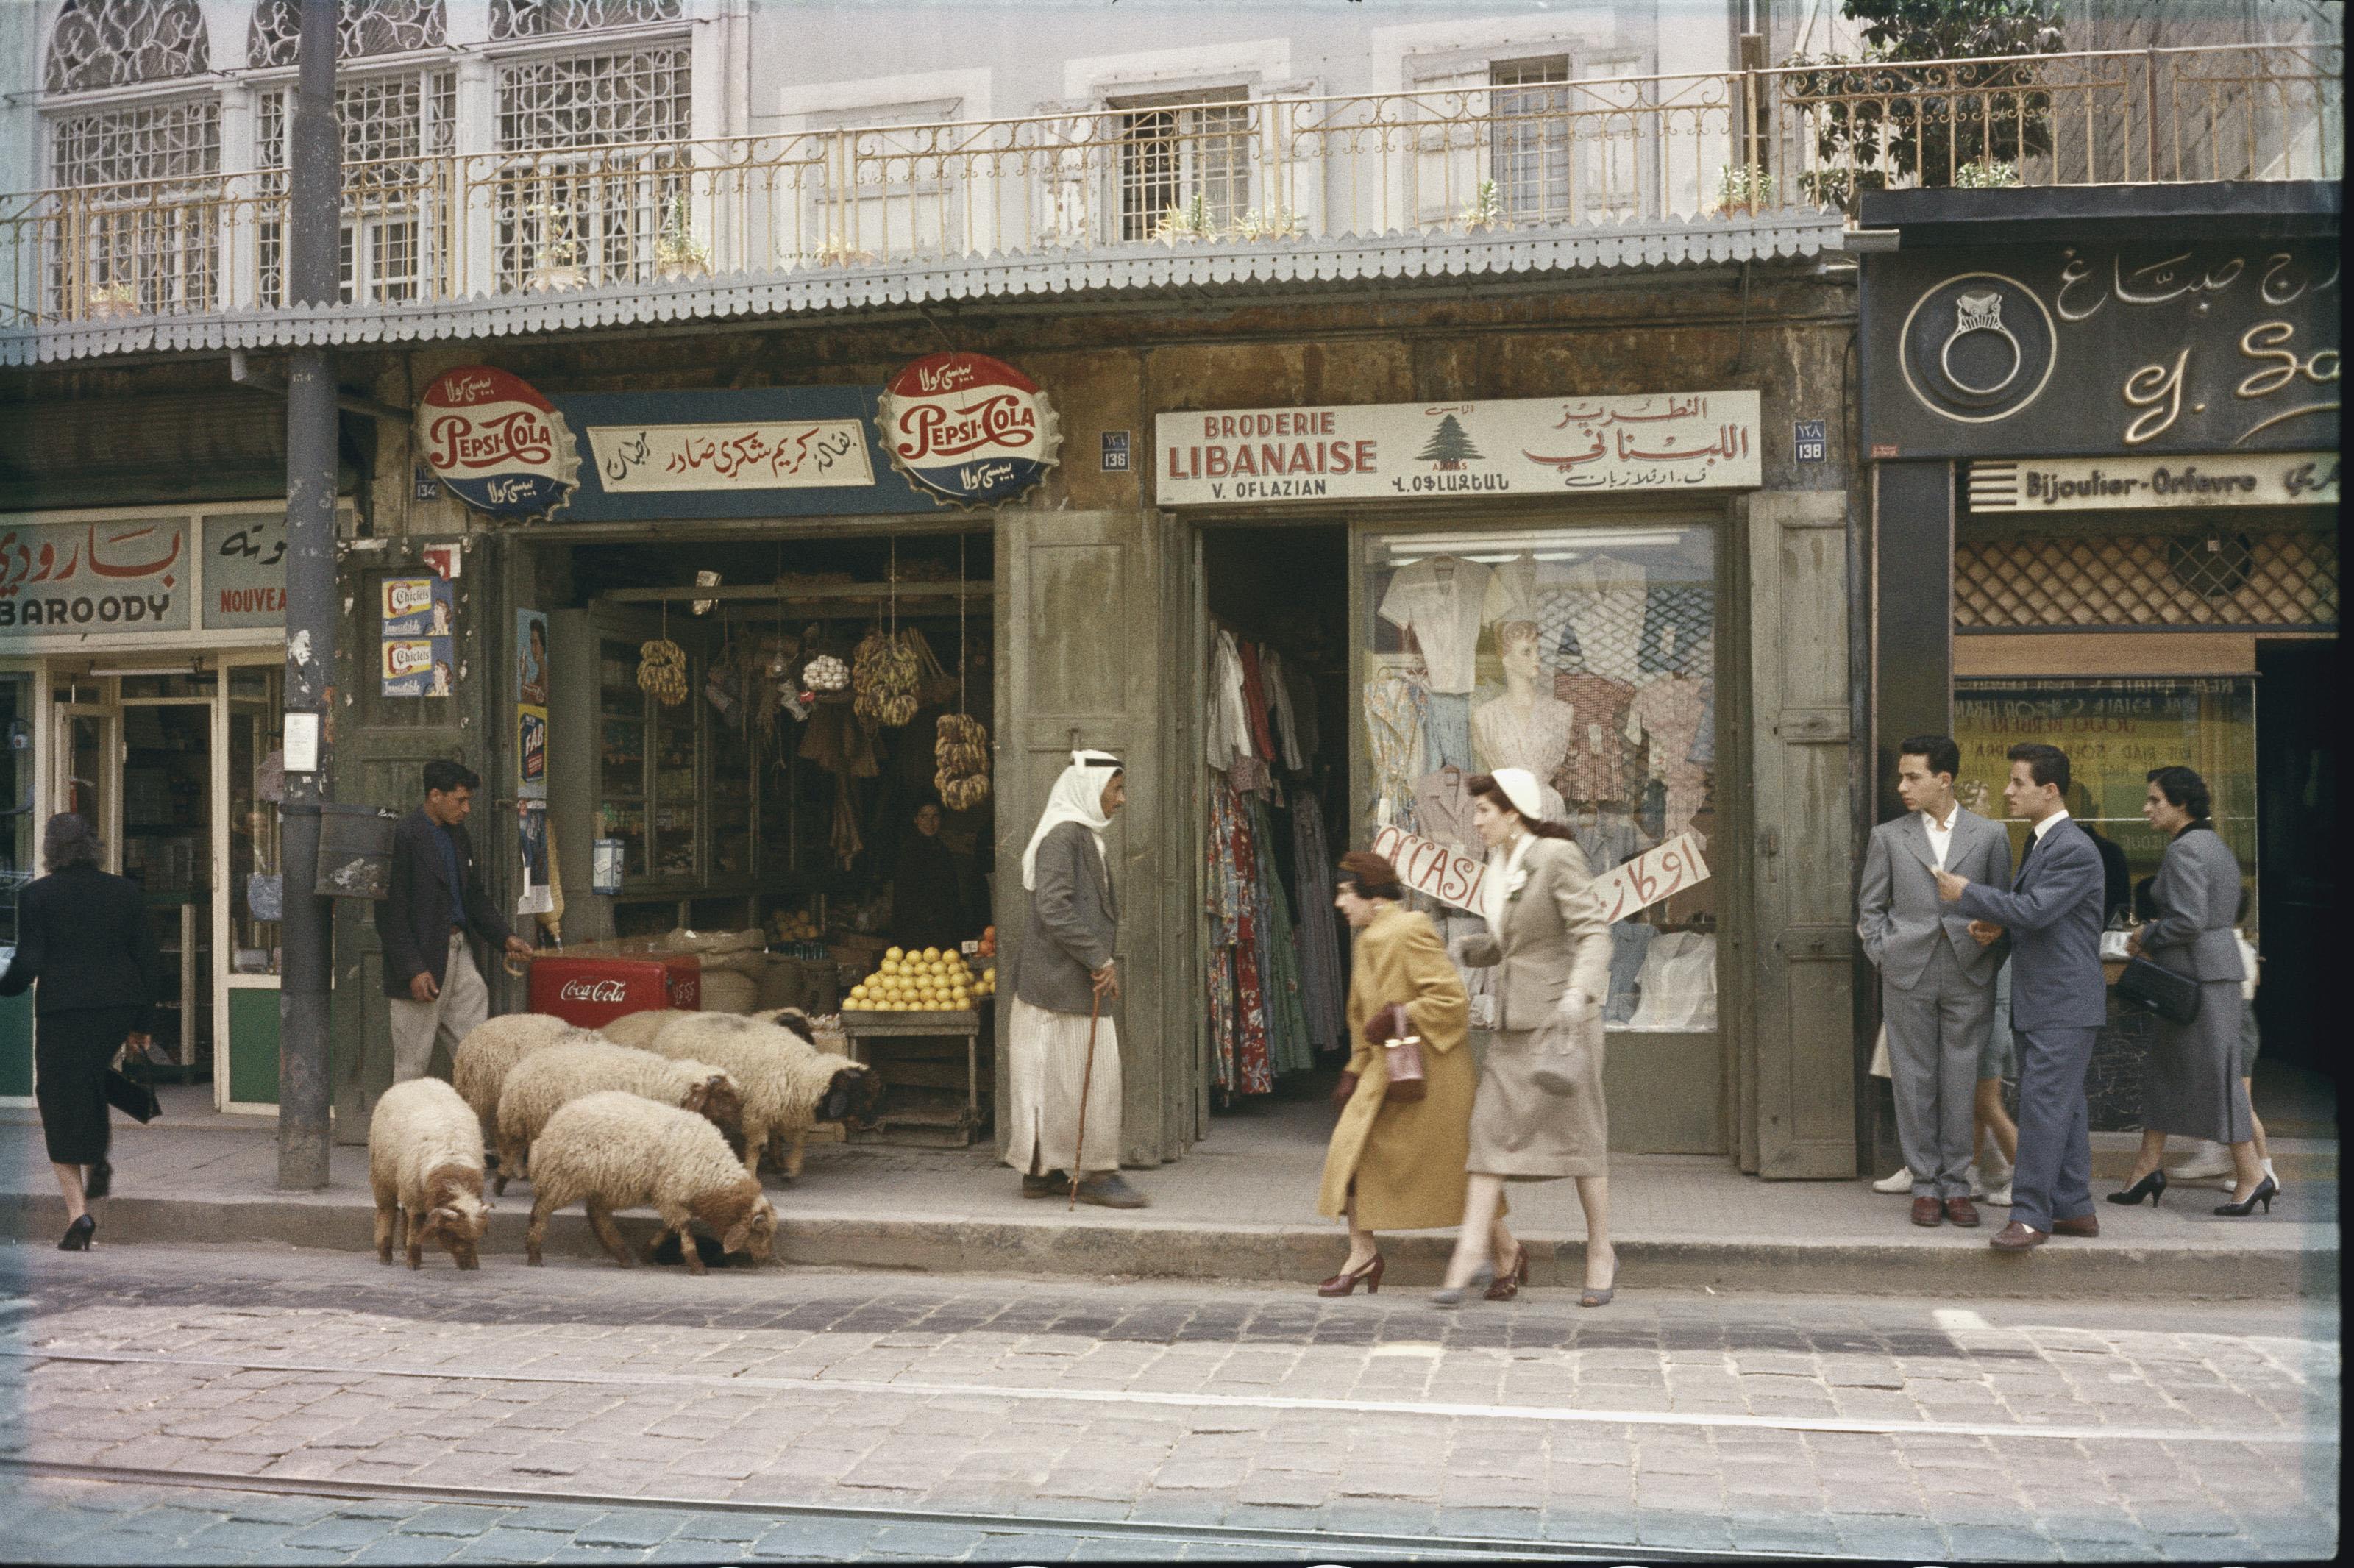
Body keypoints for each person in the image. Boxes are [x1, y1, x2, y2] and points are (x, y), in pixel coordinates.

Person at [1437, 767, 1615, 1307]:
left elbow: (1593, 934)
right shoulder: (1502, 863)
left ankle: (1601, 1251)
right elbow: (1521, 942)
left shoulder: (1554, 857)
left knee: (1582, 1145)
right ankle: (1470, 1251)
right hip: (1516, 1028)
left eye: (1485, 811)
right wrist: (1478, 949)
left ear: (1514, 812)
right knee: (1487, 1134)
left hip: (1564, 1028)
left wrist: (1576, 995)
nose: (1476, 821)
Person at [1935, 742, 2107, 1252]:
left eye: (2018, 783)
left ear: (2049, 790)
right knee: (2064, 1106)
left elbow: (2034, 910)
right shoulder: (2044, 843)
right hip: (2052, 1000)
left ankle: (2031, 1217)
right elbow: (2043, 919)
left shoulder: (2072, 848)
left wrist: (1965, 892)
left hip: (2062, 1001)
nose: (2008, 792)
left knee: (2042, 1108)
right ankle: (2074, 1209)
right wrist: (1999, 930)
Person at [1315, 850, 1484, 1297]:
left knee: (1450, 1169)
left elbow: (1452, 1001)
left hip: (1430, 1072)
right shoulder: (1367, 938)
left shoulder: (1409, 929)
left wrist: (1398, 1014)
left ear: (1372, 895)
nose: (1339, 904)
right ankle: (1362, 1254)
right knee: (1353, 1156)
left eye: (1345, 894)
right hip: (1383, 1067)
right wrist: (1352, 1070)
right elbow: (1359, 1016)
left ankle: (1505, 1253)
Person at [1857, 736, 2011, 1227]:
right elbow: (1870, 910)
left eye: (1913, 777)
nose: (1902, 786)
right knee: (1913, 1079)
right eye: (1902, 776)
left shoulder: (1989, 835)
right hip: (1908, 969)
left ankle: (1956, 1184)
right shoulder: (1889, 836)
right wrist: (1884, 954)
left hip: (1970, 970)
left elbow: (2003, 907)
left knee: (1962, 1079)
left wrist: (1991, 947)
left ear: (1944, 780)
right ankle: (1925, 1185)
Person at [0, 813, 169, 1250]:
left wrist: (6, 985)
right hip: (117, 1006)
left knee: (57, 1097)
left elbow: (29, 964)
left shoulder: (38, 896)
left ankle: (79, 1214)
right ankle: (98, 1158)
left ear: (50, 850)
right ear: (93, 847)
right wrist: (142, 1024)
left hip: (63, 1010)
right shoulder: (124, 892)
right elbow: (148, 961)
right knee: (90, 1076)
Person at [2111, 766, 2274, 1216]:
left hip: (2195, 980)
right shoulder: (2213, 844)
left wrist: (2146, 933)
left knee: (2219, 1078)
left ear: (2181, 805)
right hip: (2206, 975)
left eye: (2155, 801)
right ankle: (2145, 1169)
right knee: (2166, 1072)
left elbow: (2187, 920)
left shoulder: (2185, 851)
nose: (2146, 809)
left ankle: (2252, 1175)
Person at [1006, 750, 1145, 1208]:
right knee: (1087, 1078)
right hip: (1057, 984)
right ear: (1091, 789)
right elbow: (1053, 907)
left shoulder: (1078, 835)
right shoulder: (1063, 836)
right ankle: (1095, 1174)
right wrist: (1099, 959)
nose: (1122, 800)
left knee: (1053, 1079)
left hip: (1063, 982)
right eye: (1117, 789)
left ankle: (1042, 1170)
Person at [379, 760, 533, 1083]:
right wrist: (412, 969)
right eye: (460, 800)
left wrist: (505, 938)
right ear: (435, 795)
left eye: (469, 801)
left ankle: (474, 1123)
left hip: (458, 950)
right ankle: (399, 1131)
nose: (466, 809)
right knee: (411, 1063)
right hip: (422, 959)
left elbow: (472, 896)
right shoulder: (403, 836)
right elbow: (390, 912)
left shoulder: (458, 836)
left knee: (475, 1051)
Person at [890, 800, 967, 952]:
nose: (930, 822)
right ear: (916, 819)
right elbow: (904, 895)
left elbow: (952, 893)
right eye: (924, 816)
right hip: (913, 930)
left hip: (941, 930)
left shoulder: (943, 851)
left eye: (935, 817)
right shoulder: (908, 851)